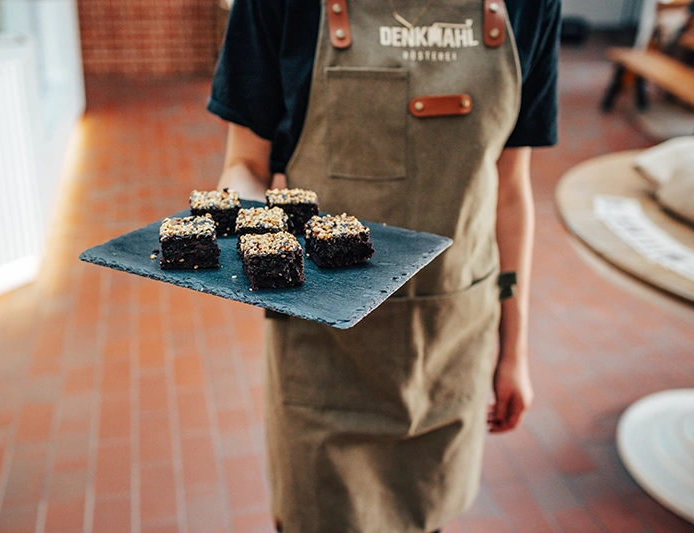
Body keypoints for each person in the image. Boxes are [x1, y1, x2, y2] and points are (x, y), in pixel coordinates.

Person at [208, 0, 560, 531]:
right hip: (325, 357)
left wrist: (516, 352)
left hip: (451, 345)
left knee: (428, 516)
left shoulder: (530, 6)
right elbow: (246, 164)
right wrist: (241, 227)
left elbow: (510, 190)